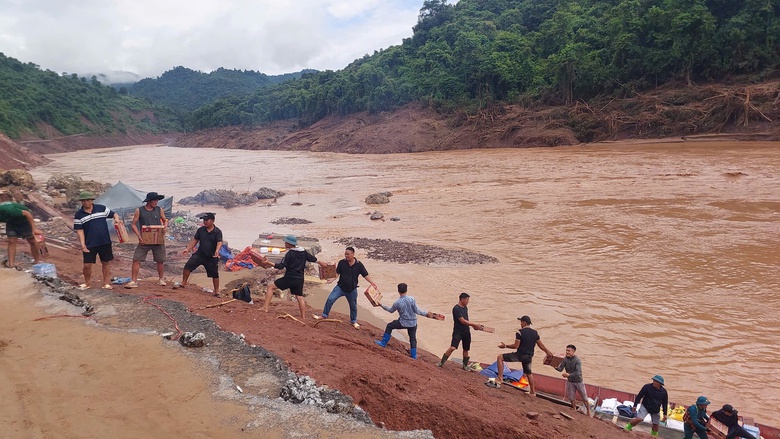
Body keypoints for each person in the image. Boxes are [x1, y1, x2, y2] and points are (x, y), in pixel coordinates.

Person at [258, 235, 326, 319]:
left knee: (270, 287)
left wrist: (268, 262)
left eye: (285, 242)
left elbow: (281, 266)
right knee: (300, 297)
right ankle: (303, 317)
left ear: (289, 244)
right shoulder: (303, 251)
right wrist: (321, 262)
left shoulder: (290, 254)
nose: (285, 244)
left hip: (289, 278)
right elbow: (312, 258)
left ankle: (265, 308)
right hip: (300, 278)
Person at [485, 315, 553, 396]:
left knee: (500, 357)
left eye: (521, 322)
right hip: (529, 357)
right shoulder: (535, 333)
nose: (520, 324)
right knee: (528, 372)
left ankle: (500, 378)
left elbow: (515, 346)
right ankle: (532, 392)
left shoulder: (519, 332)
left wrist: (505, 346)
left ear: (524, 322)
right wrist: (547, 351)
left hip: (520, 355)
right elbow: (541, 345)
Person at [314, 246, 377, 329]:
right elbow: (337, 273)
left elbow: (365, 275)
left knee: (353, 306)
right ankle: (324, 315)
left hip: (352, 289)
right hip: (340, 287)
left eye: (348, 254)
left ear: (353, 254)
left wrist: (372, 283)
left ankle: (353, 321)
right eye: (345, 254)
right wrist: (332, 280)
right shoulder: (342, 262)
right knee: (330, 299)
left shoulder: (359, 265)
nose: (346, 256)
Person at [73, 191, 122, 290]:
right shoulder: (79, 214)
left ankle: (106, 283)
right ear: (81, 202)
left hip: (104, 241)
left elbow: (114, 214)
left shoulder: (101, 208)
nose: (86, 202)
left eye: (88, 200)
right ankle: (87, 283)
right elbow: (80, 231)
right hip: (89, 243)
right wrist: (82, 244)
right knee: (87, 265)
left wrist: (116, 219)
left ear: (92, 200)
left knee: (106, 262)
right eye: (84, 201)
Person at [374, 283, 430, 359]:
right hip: (413, 323)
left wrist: (381, 305)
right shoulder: (412, 299)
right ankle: (413, 355)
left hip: (403, 323)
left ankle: (383, 343)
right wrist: (426, 314)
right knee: (413, 338)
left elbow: (390, 310)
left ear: (398, 291)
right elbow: (417, 311)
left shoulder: (397, 303)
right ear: (406, 290)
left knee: (389, 326)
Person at [126, 192, 168, 288]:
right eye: (154, 201)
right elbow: (133, 224)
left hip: (158, 238)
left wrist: (165, 227)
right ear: (149, 201)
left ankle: (161, 279)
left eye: (157, 201)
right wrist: (139, 236)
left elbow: (165, 220)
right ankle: (133, 281)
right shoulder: (139, 210)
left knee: (160, 260)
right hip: (144, 239)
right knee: (136, 259)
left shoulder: (159, 209)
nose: (156, 202)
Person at [436, 292, 484, 369]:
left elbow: (466, 319)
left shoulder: (465, 308)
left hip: (466, 331)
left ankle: (465, 365)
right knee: (453, 347)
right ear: (462, 299)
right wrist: (474, 324)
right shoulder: (456, 309)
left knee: (466, 349)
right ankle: (441, 362)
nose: (468, 302)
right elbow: (463, 321)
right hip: (458, 331)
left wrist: (473, 326)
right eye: (467, 300)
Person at [179, 213, 222, 296]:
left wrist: (217, 250)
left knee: (215, 274)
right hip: (200, 254)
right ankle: (183, 282)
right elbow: (195, 240)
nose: (205, 222)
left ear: (212, 221)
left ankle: (216, 291)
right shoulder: (201, 230)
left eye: (207, 220)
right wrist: (188, 249)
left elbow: (219, 242)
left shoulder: (217, 231)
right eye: (204, 220)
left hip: (211, 256)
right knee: (188, 266)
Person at [0, 191, 41, 269]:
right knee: (11, 241)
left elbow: (27, 214)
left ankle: (37, 261)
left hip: (24, 221)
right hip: (11, 221)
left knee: (32, 241)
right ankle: (11, 264)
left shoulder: (10, 210)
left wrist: (34, 229)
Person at [553, 344, 591, 416]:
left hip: (578, 381)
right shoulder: (565, 359)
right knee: (571, 397)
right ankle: (574, 408)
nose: (567, 352)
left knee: (584, 397)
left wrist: (568, 375)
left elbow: (578, 372)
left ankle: (588, 412)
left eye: (569, 351)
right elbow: (560, 369)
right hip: (570, 381)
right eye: (566, 350)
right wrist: (554, 366)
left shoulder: (577, 360)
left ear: (573, 352)